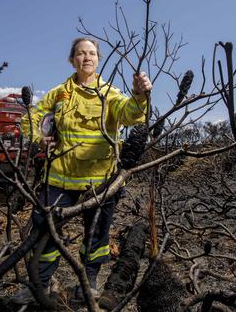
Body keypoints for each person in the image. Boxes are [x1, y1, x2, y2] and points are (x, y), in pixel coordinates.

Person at [12, 37, 152, 304]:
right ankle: (39, 285)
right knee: (45, 230)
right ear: (72, 60)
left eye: (91, 53)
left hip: (100, 183)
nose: (86, 58)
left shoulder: (110, 92)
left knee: (97, 236)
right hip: (58, 180)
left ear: (97, 59)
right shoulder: (59, 93)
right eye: (80, 54)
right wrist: (38, 136)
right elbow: (30, 116)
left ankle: (89, 284)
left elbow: (131, 114)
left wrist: (140, 94)